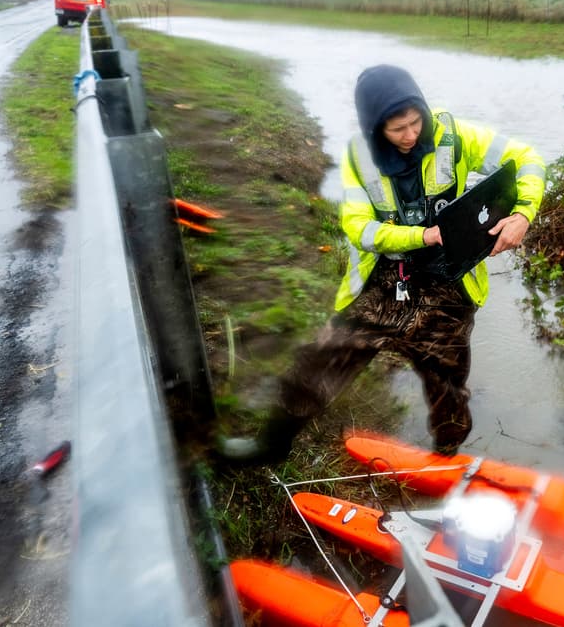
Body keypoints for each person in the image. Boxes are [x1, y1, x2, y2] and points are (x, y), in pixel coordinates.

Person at [219, 64, 545, 462]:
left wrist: (524, 214)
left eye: (415, 122)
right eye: (397, 129)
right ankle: (270, 445)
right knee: (324, 358)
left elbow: (527, 158)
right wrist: (420, 236)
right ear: (376, 128)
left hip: (449, 279)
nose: (411, 135)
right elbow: (359, 229)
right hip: (385, 277)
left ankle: (445, 458)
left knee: (447, 378)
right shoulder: (358, 155)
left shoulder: (452, 134)